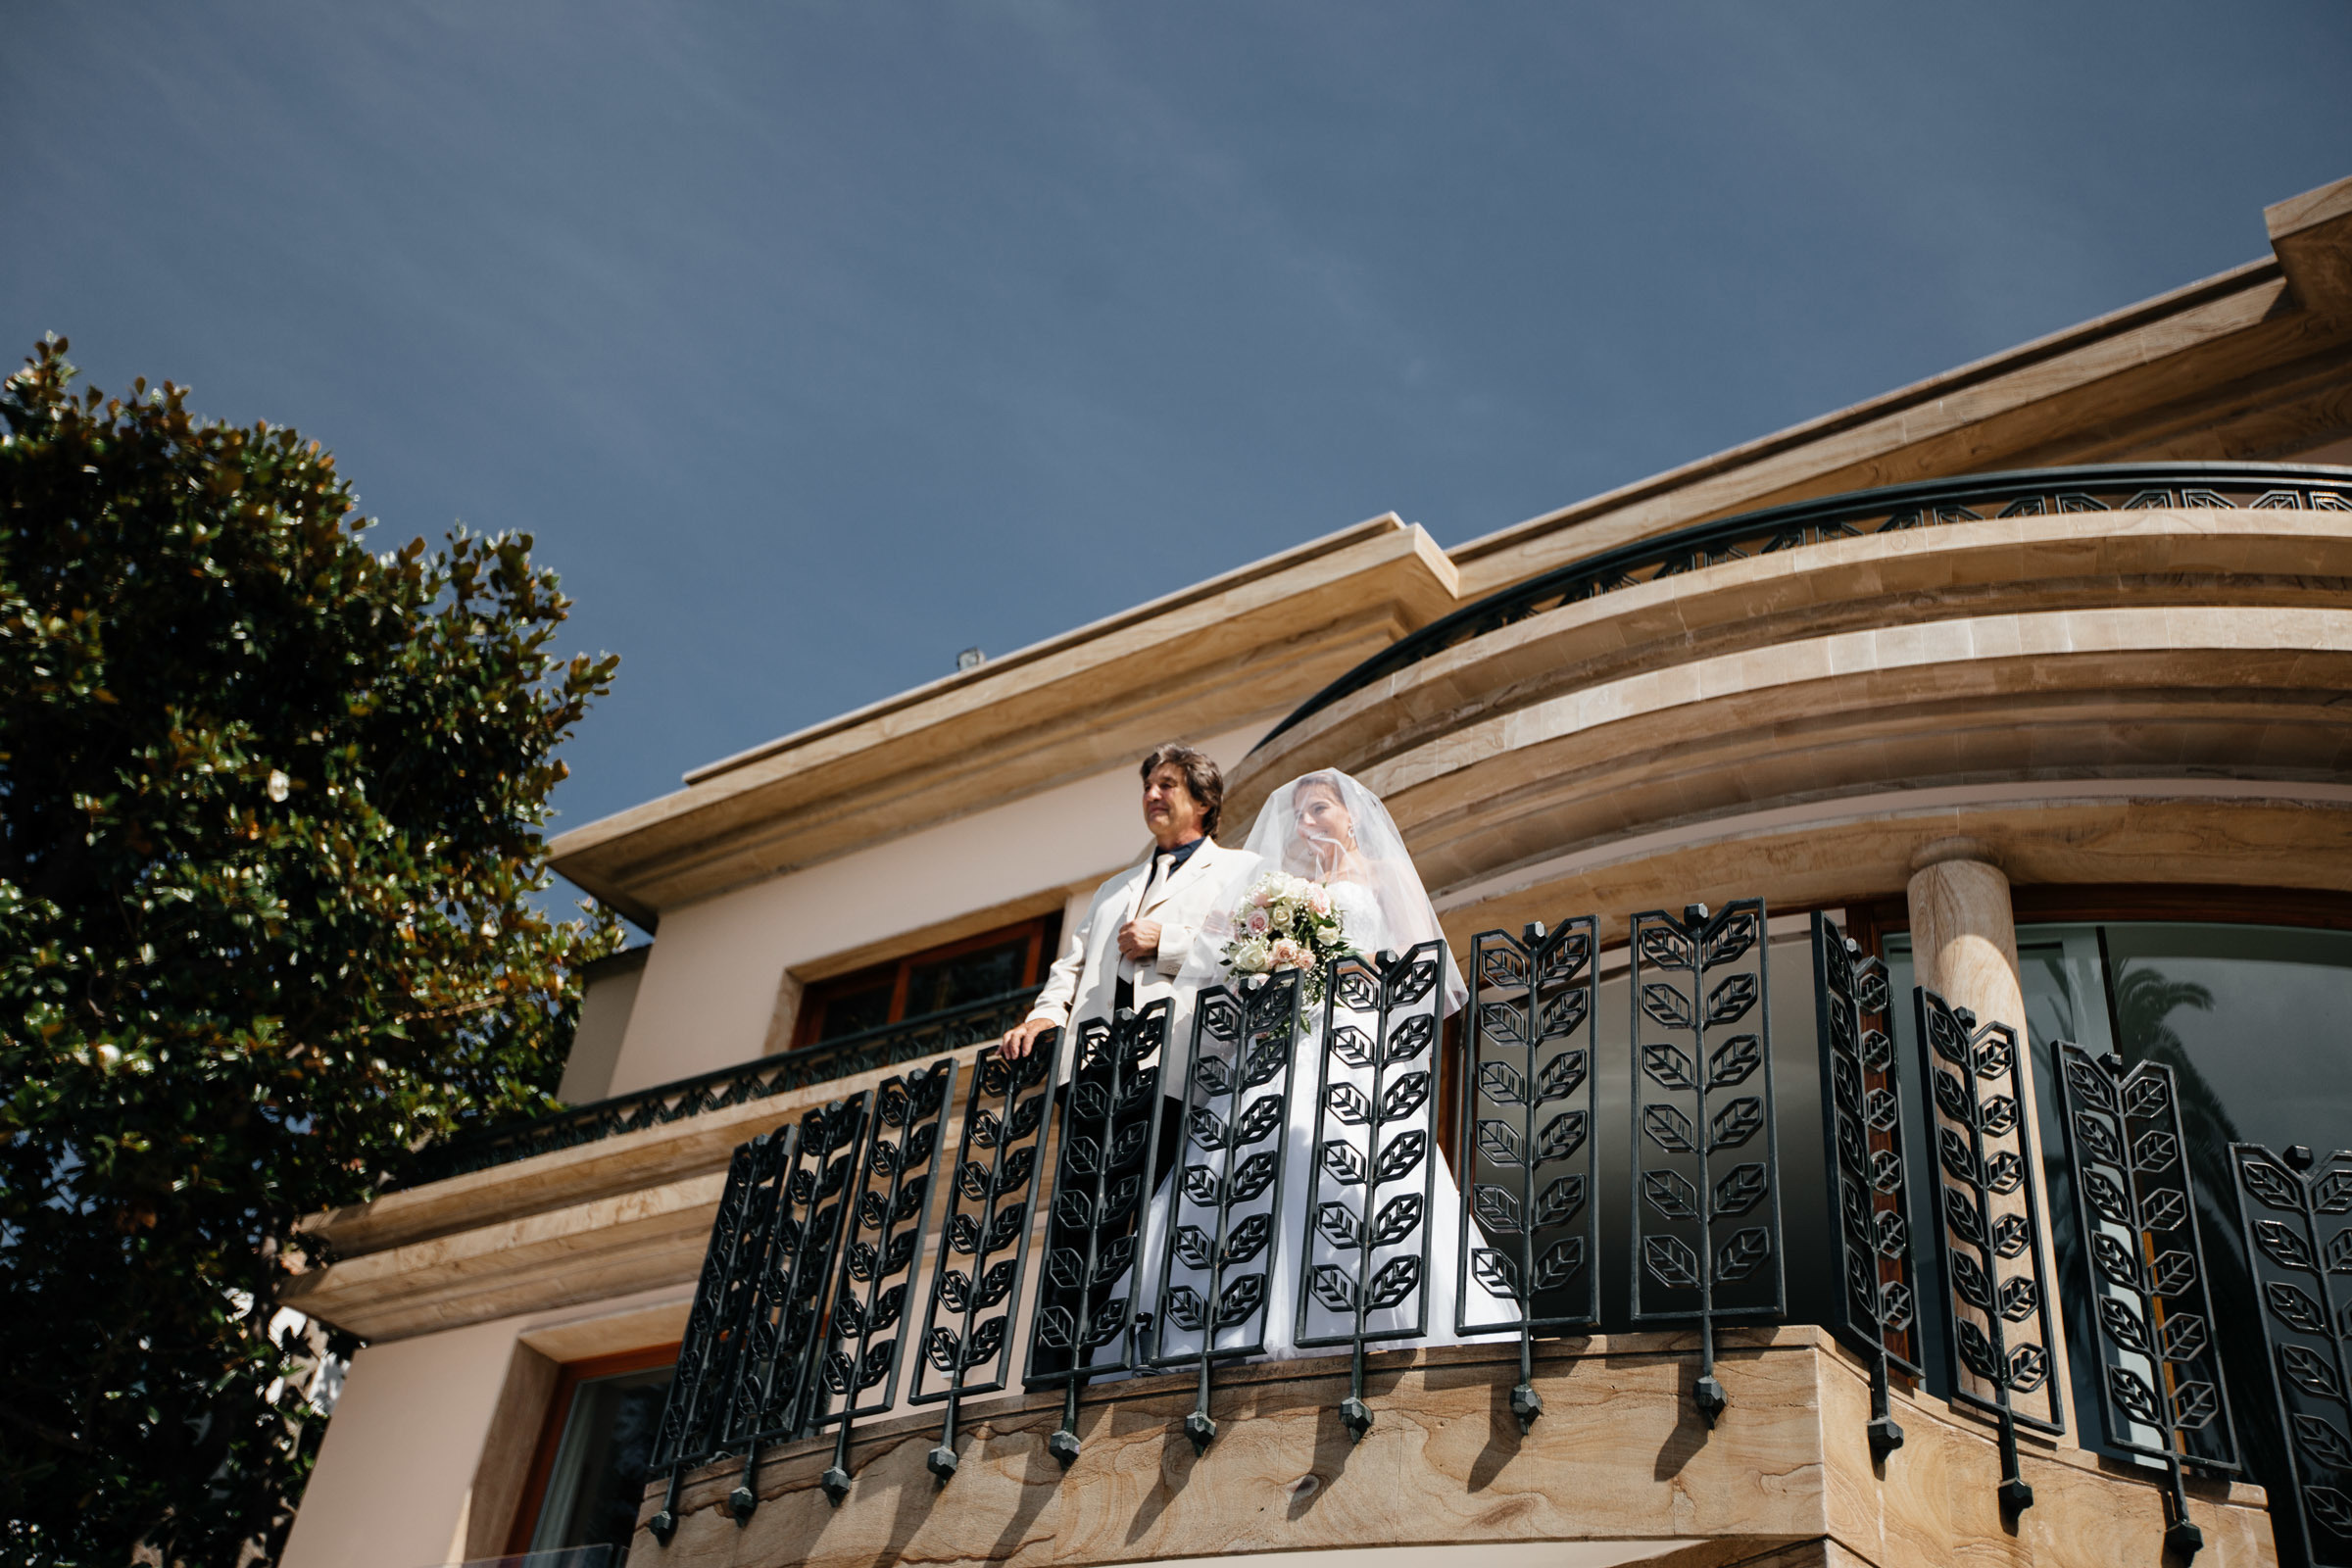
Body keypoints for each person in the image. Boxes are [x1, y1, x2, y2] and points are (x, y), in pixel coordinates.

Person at [1154, 767, 1511, 1366]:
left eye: (1319, 808)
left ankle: (1373, 1311)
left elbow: (1416, 967)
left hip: (1354, 1036)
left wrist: (1348, 961)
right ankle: (1243, 1320)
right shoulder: (1291, 889)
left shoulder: (1382, 874)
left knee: (1351, 1161)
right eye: (1299, 814)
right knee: (1259, 1155)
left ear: (1352, 816)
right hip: (1290, 1038)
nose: (1306, 822)